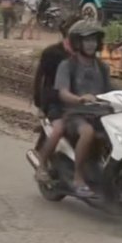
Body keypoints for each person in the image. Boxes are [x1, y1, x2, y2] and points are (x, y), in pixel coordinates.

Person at [53, 19, 112, 198]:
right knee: (87, 132)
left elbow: (111, 90)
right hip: (75, 114)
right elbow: (63, 93)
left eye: (93, 40)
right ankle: (78, 177)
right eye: (86, 40)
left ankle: (110, 176)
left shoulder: (102, 67)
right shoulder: (67, 65)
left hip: (100, 114)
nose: (90, 44)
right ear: (77, 42)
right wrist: (79, 99)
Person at [32, 14, 81, 183]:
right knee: (59, 129)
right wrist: (39, 104)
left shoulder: (86, 55)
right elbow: (40, 78)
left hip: (80, 102)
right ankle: (42, 165)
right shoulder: (52, 53)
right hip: (55, 102)